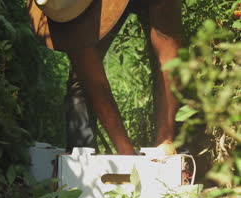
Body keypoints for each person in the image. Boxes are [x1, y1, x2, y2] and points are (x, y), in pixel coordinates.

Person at [27, 0, 182, 155]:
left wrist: (165, 139)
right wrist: (125, 151)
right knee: (81, 79)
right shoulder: (60, 7)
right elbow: (93, 82)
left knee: (167, 38)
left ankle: (175, 139)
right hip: (75, 8)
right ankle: (81, 154)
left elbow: (169, 53)